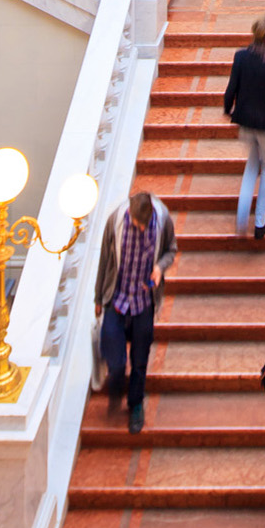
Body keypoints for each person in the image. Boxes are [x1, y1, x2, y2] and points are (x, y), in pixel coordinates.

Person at [94, 185, 177, 434]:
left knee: (140, 360)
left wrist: (160, 267)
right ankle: (116, 387)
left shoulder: (161, 220)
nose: (142, 229)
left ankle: (136, 405)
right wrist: (98, 297)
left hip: (143, 303)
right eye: (138, 225)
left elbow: (171, 250)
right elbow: (105, 260)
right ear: (130, 215)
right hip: (116, 300)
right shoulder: (116, 222)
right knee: (116, 361)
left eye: (145, 225)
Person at [224, 15, 265, 239]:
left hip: (245, 120)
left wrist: (227, 110)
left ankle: (242, 218)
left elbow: (231, 87)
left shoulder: (241, 57)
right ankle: (260, 222)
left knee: (252, 165)